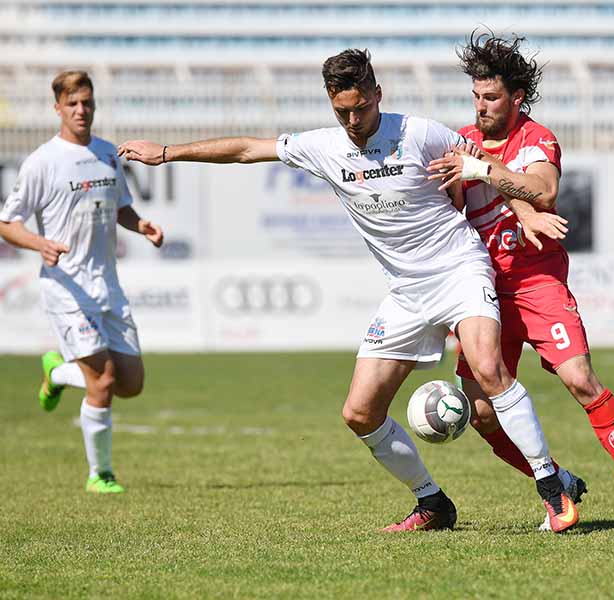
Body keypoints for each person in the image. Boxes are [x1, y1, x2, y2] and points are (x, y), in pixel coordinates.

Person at [118, 49, 581, 533]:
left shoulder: (421, 133)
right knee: (360, 413)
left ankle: (552, 490)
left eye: (362, 107)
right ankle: (433, 503)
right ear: (330, 105)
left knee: (488, 368)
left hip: (459, 267)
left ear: (378, 95)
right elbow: (245, 150)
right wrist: (168, 153)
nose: (355, 120)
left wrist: (528, 213)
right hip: (406, 292)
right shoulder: (323, 146)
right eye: (343, 112)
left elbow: (487, 173)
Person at [427, 32, 614, 526]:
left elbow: (544, 188)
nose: (481, 107)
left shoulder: (537, 138)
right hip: (480, 292)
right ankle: (556, 482)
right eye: (476, 97)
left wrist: (488, 173)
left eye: (491, 97)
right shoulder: (461, 143)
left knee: (581, 379)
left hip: (537, 283)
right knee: (479, 413)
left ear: (516, 97)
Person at [0, 71, 164, 493]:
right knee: (104, 381)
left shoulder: (108, 153)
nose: (81, 110)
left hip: (107, 286)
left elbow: (122, 208)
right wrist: (40, 244)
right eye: (72, 104)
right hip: (66, 288)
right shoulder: (42, 162)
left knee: (131, 384)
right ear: (58, 108)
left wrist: (141, 224)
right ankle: (100, 473)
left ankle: (56, 374)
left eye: (87, 102)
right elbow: (7, 222)